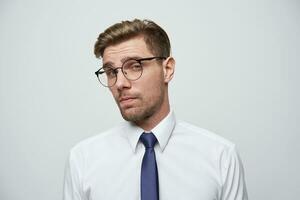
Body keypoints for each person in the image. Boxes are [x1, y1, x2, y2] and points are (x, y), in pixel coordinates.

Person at [63, 19, 248, 200]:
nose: (119, 83)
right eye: (111, 72)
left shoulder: (221, 157)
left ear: (167, 69)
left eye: (135, 66)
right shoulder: (83, 160)